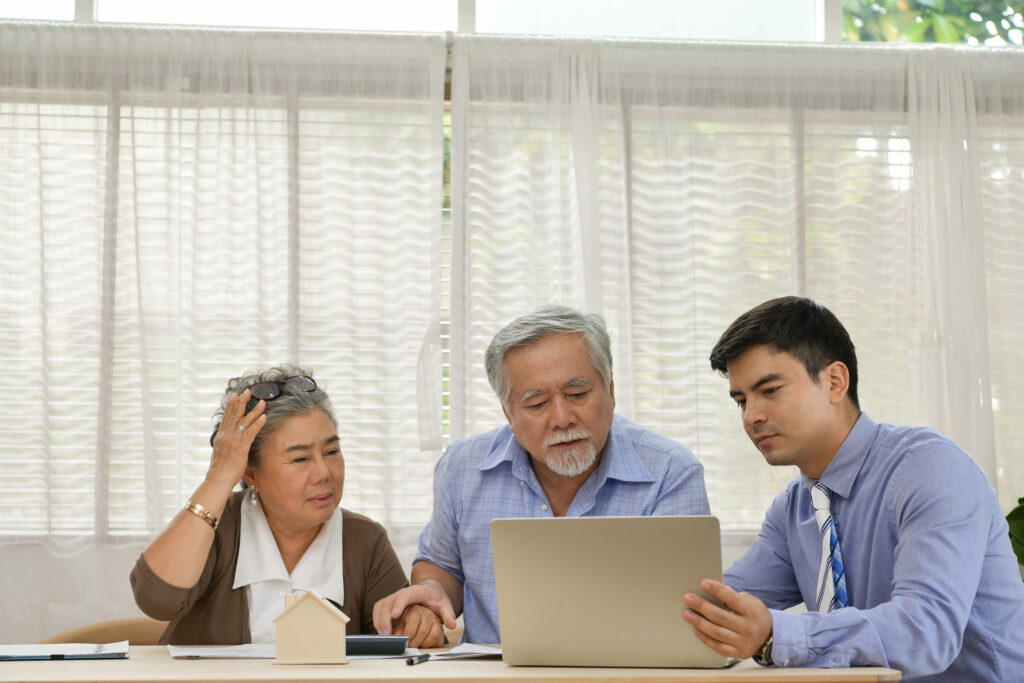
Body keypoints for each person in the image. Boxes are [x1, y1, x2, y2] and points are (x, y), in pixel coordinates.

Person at [682, 296, 1024, 680]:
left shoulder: (930, 468)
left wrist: (775, 634)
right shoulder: (793, 509)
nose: (751, 416)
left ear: (834, 381)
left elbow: (927, 630)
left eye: (770, 390)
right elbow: (720, 606)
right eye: (741, 400)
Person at [373, 305, 711, 646]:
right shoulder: (462, 466)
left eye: (578, 394)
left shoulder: (670, 472)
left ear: (610, 389)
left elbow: (685, 613)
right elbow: (441, 565)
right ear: (508, 412)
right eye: (537, 404)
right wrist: (430, 595)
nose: (562, 418)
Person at [130, 365, 439, 644]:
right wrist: (218, 477)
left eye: (332, 451)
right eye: (300, 458)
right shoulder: (216, 527)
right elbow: (156, 600)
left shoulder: (364, 540)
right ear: (251, 474)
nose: (323, 473)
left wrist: (418, 623)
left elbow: (399, 642)